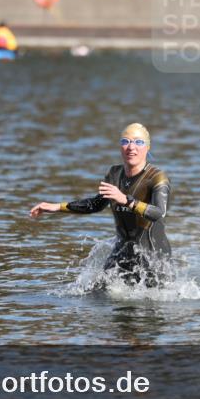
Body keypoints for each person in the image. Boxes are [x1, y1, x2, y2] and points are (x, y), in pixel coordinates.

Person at [29, 123, 172, 289]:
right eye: (125, 141)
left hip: (152, 255)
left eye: (138, 142)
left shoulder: (157, 177)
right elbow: (96, 204)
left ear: (147, 147)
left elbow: (159, 213)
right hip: (123, 251)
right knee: (96, 291)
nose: (131, 147)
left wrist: (127, 200)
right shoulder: (114, 174)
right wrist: (57, 207)